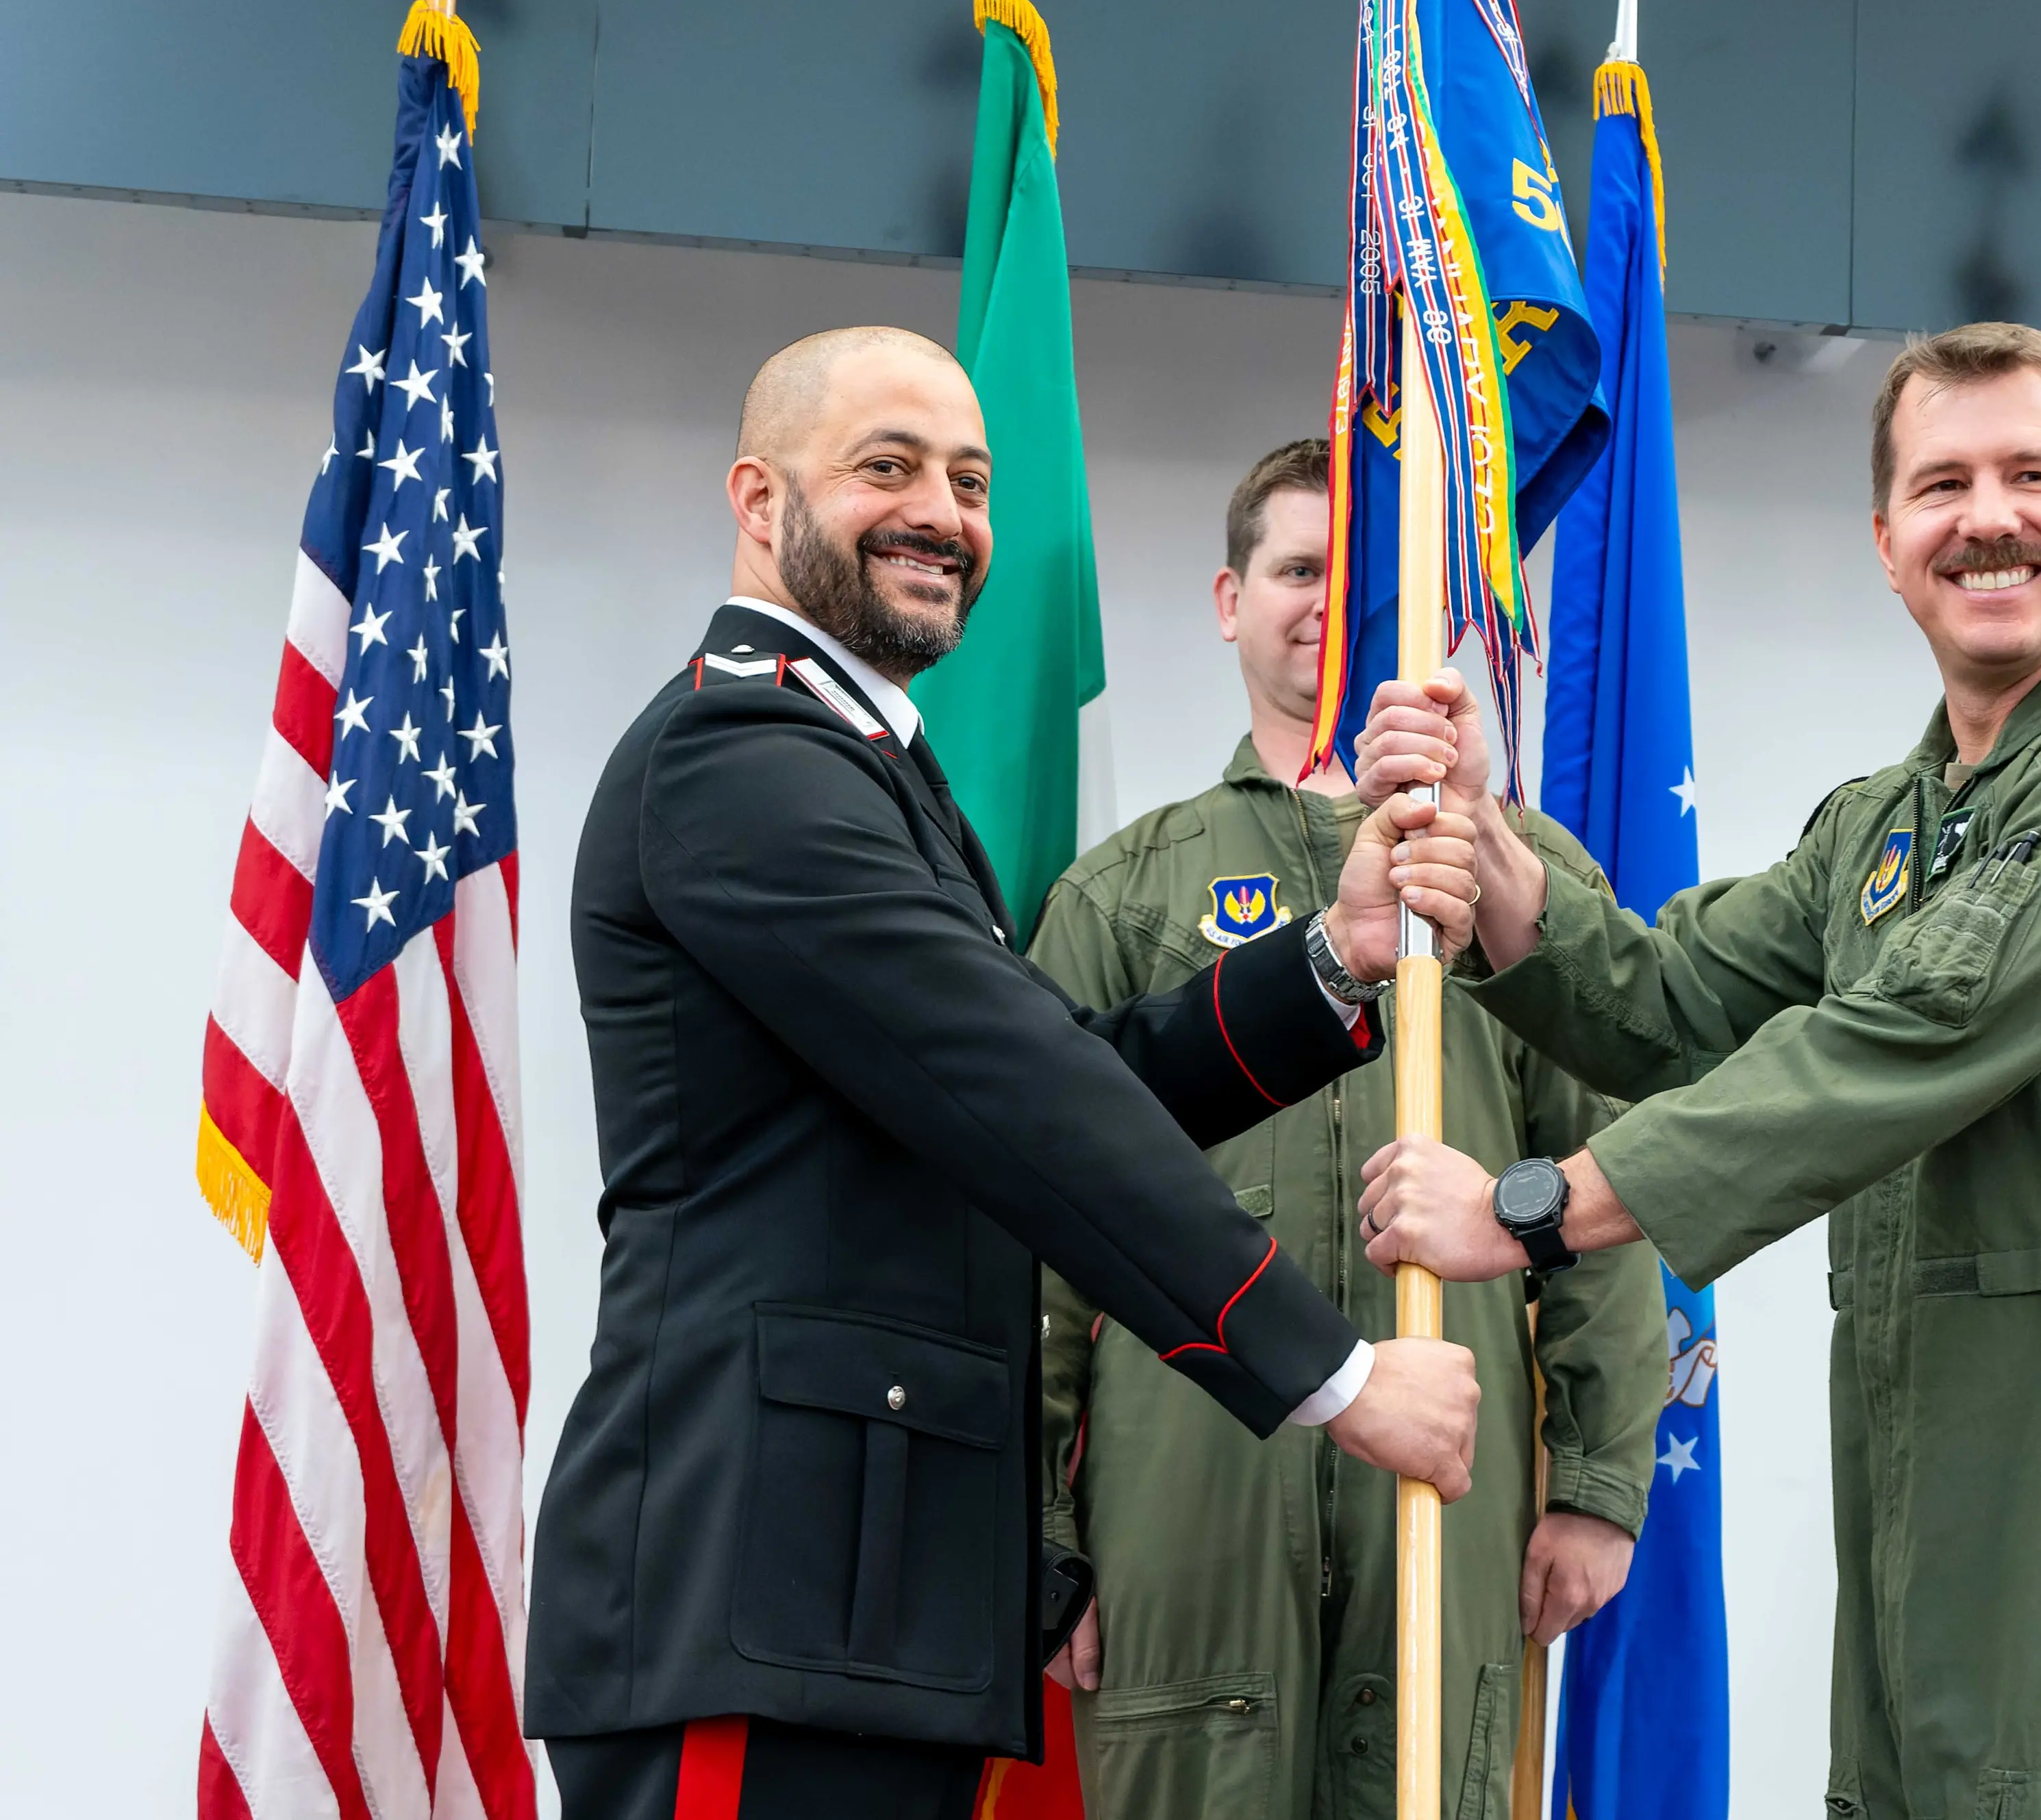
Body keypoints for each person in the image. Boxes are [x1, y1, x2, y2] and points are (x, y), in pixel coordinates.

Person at [1353, 322, 2041, 1820]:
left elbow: (1910, 1033)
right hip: (1923, 1470)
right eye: (1940, 484)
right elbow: (1673, 1000)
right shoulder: (1886, 822)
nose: (1985, 517)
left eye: (2029, 475)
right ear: (1885, 542)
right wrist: (1490, 851)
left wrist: (1536, 1208)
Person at [526, 328, 1490, 1820]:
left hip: (852, 1604)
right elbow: (1020, 1088)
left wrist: (1332, 960)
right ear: (758, 498)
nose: (945, 513)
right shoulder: (739, 762)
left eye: (971, 481)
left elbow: (1049, 1069)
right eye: (886, 467)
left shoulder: (862, 766)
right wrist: (1339, 1377)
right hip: (755, 1600)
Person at [1027, 440, 1666, 1819]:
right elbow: (1036, 1220)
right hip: (1185, 1484)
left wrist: (1600, 1482)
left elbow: (1606, 1185)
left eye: (1358, 574)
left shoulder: (1514, 877)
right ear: (1226, 597)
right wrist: (1040, 1522)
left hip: (1452, 1475)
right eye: (1294, 568)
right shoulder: (1123, 894)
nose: (1324, 602)